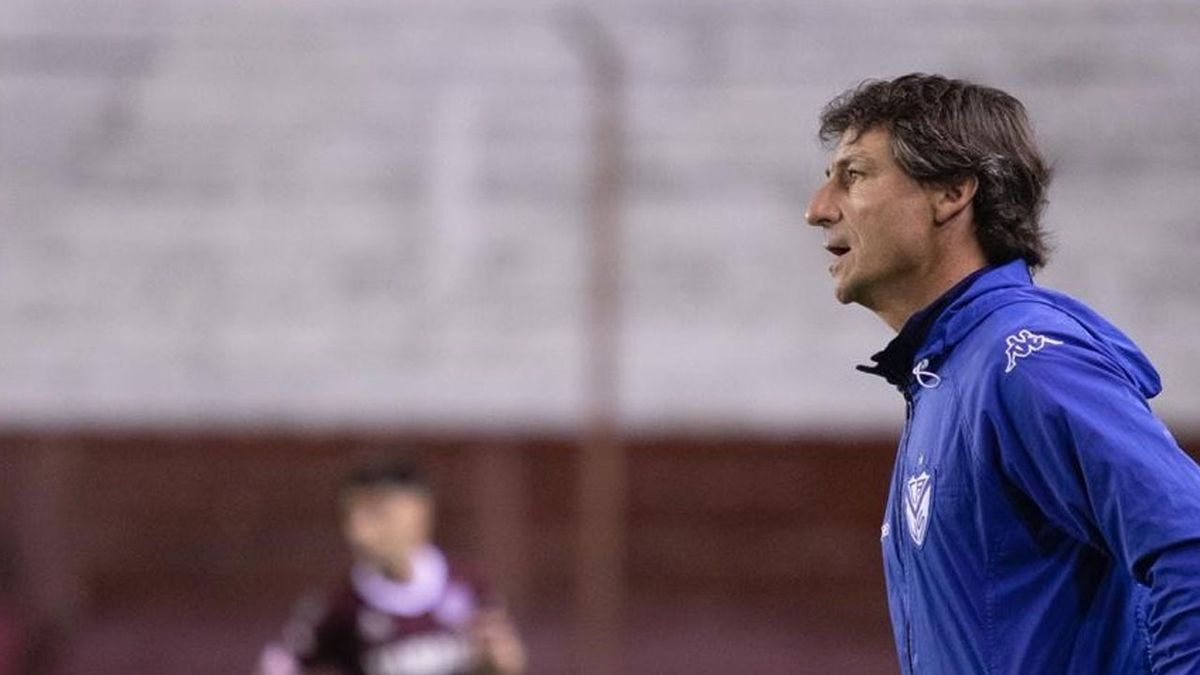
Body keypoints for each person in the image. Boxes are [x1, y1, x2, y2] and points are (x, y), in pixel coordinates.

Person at [804, 73, 1200, 673]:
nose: (817, 209)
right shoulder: (947, 373)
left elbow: (1189, 544)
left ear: (952, 192)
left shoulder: (1026, 360)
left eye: (853, 175)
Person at [255, 456, 526, 675]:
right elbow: (279, 663)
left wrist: (497, 663)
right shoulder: (337, 604)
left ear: (419, 513)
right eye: (350, 516)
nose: (357, 532)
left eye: (376, 514)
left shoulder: (468, 583)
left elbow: (507, 663)